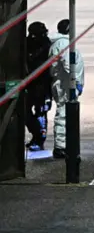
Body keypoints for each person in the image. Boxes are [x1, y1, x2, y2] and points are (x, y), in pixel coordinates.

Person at [49, 19, 85, 159]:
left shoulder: (62, 42)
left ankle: (63, 144)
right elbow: (68, 63)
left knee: (64, 113)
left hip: (65, 82)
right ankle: (60, 146)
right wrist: (74, 81)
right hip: (65, 84)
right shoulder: (63, 43)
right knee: (63, 114)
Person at [25, 21, 53, 152]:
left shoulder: (47, 45)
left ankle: (39, 138)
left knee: (41, 112)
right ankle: (36, 135)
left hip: (42, 84)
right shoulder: (27, 44)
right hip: (30, 83)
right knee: (26, 112)